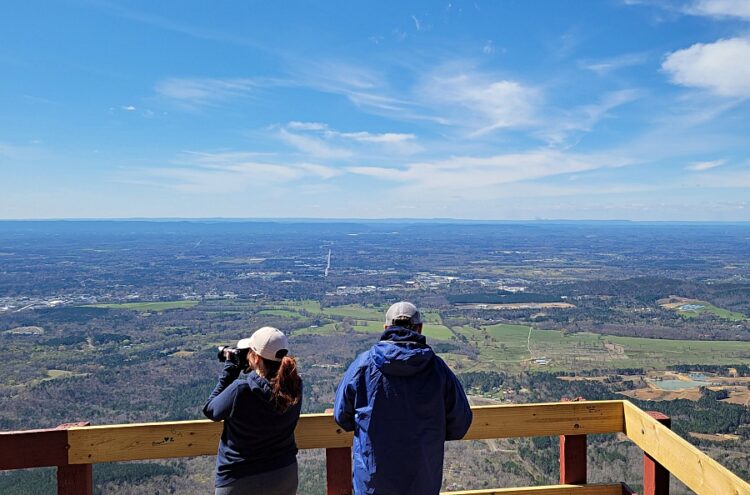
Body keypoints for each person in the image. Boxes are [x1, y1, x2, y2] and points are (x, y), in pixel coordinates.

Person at [334, 301, 473, 495]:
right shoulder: (437, 369)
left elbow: (342, 416)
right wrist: (430, 433)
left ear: (385, 328)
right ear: (420, 328)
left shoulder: (363, 365)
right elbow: (460, 423)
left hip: (373, 482)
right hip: (422, 481)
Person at [204, 326, 303, 495]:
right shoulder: (295, 387)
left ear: (256, 358)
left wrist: (230, 372)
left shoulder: (240, 390)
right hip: (284, 473)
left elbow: (210, 410)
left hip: (239, 477)